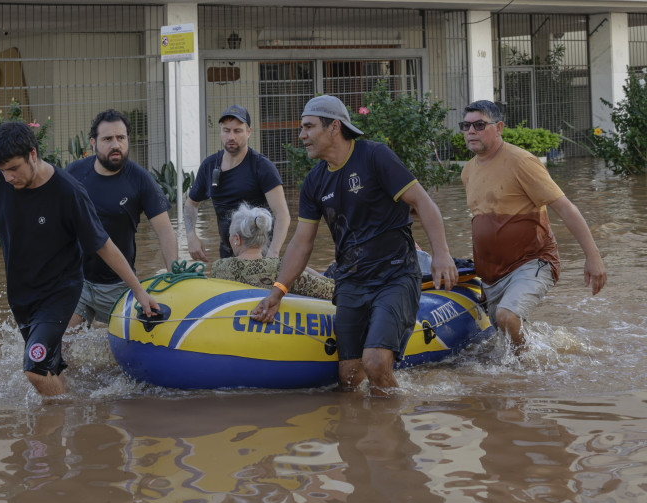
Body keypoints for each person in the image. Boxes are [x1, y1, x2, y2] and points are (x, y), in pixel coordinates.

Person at [0, 121, 159, 397]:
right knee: (51, 368)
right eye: (2, 170)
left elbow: (103, 245)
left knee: (35, 368)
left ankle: (52, 431)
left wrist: (139, 291)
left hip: (60, 293)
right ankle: (69, 415)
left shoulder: (68, 191)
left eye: (13, 169)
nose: (8, 178)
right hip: (20, 295)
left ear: (32, 154)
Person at [251, 95, 458, 397]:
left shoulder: (375, 157)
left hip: (395, 276)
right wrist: (277, 291)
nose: (302, 135)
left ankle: (395, 438)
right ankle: (357, 437)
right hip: (350, 281)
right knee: (348, 378)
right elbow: (302, 243)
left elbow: (423, 203)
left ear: (334, 127)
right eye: (302, 128)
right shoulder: (314, 182)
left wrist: (441, 253)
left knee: (375, 363)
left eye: (308, 127)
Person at [459, 100, 607, 349]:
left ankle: (530, 371)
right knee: (503, 340)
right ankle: (534, 368)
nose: (471, 131)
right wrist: (483, 277)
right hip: (493, 275)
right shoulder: (468, 171)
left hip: (533, 261)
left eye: (479, 125)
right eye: (466, 126)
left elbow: (566, 208)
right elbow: (482, 223)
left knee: (507, 316)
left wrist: (593, 258)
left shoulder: (521, 161)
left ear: (499, 128)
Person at [65, 109, 177, 329]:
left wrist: (174, 275)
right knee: (63, 348)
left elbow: (164, 230)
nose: (115, 144)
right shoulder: (74, 174)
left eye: (121, 138)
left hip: (119, 284)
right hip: (77, 280)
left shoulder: (141, 179)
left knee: (121, 352)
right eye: (107, 139)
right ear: (93, 143)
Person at [185, 104, 290, 261]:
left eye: (237, 131)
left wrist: (273, 254)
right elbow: (191, 204)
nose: (231, 137)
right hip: (227, 254)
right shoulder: (209, 166)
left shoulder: (262, 167)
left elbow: (282, 215)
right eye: (226, 130)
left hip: (258, 255)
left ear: (249, 132)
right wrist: (190, 235)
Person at [209, 203, 334, 300]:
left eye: (230, 235)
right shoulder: (283, 270)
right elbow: (332, 291)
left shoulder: (219, 268)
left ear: (237, 238)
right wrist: (303, 269)